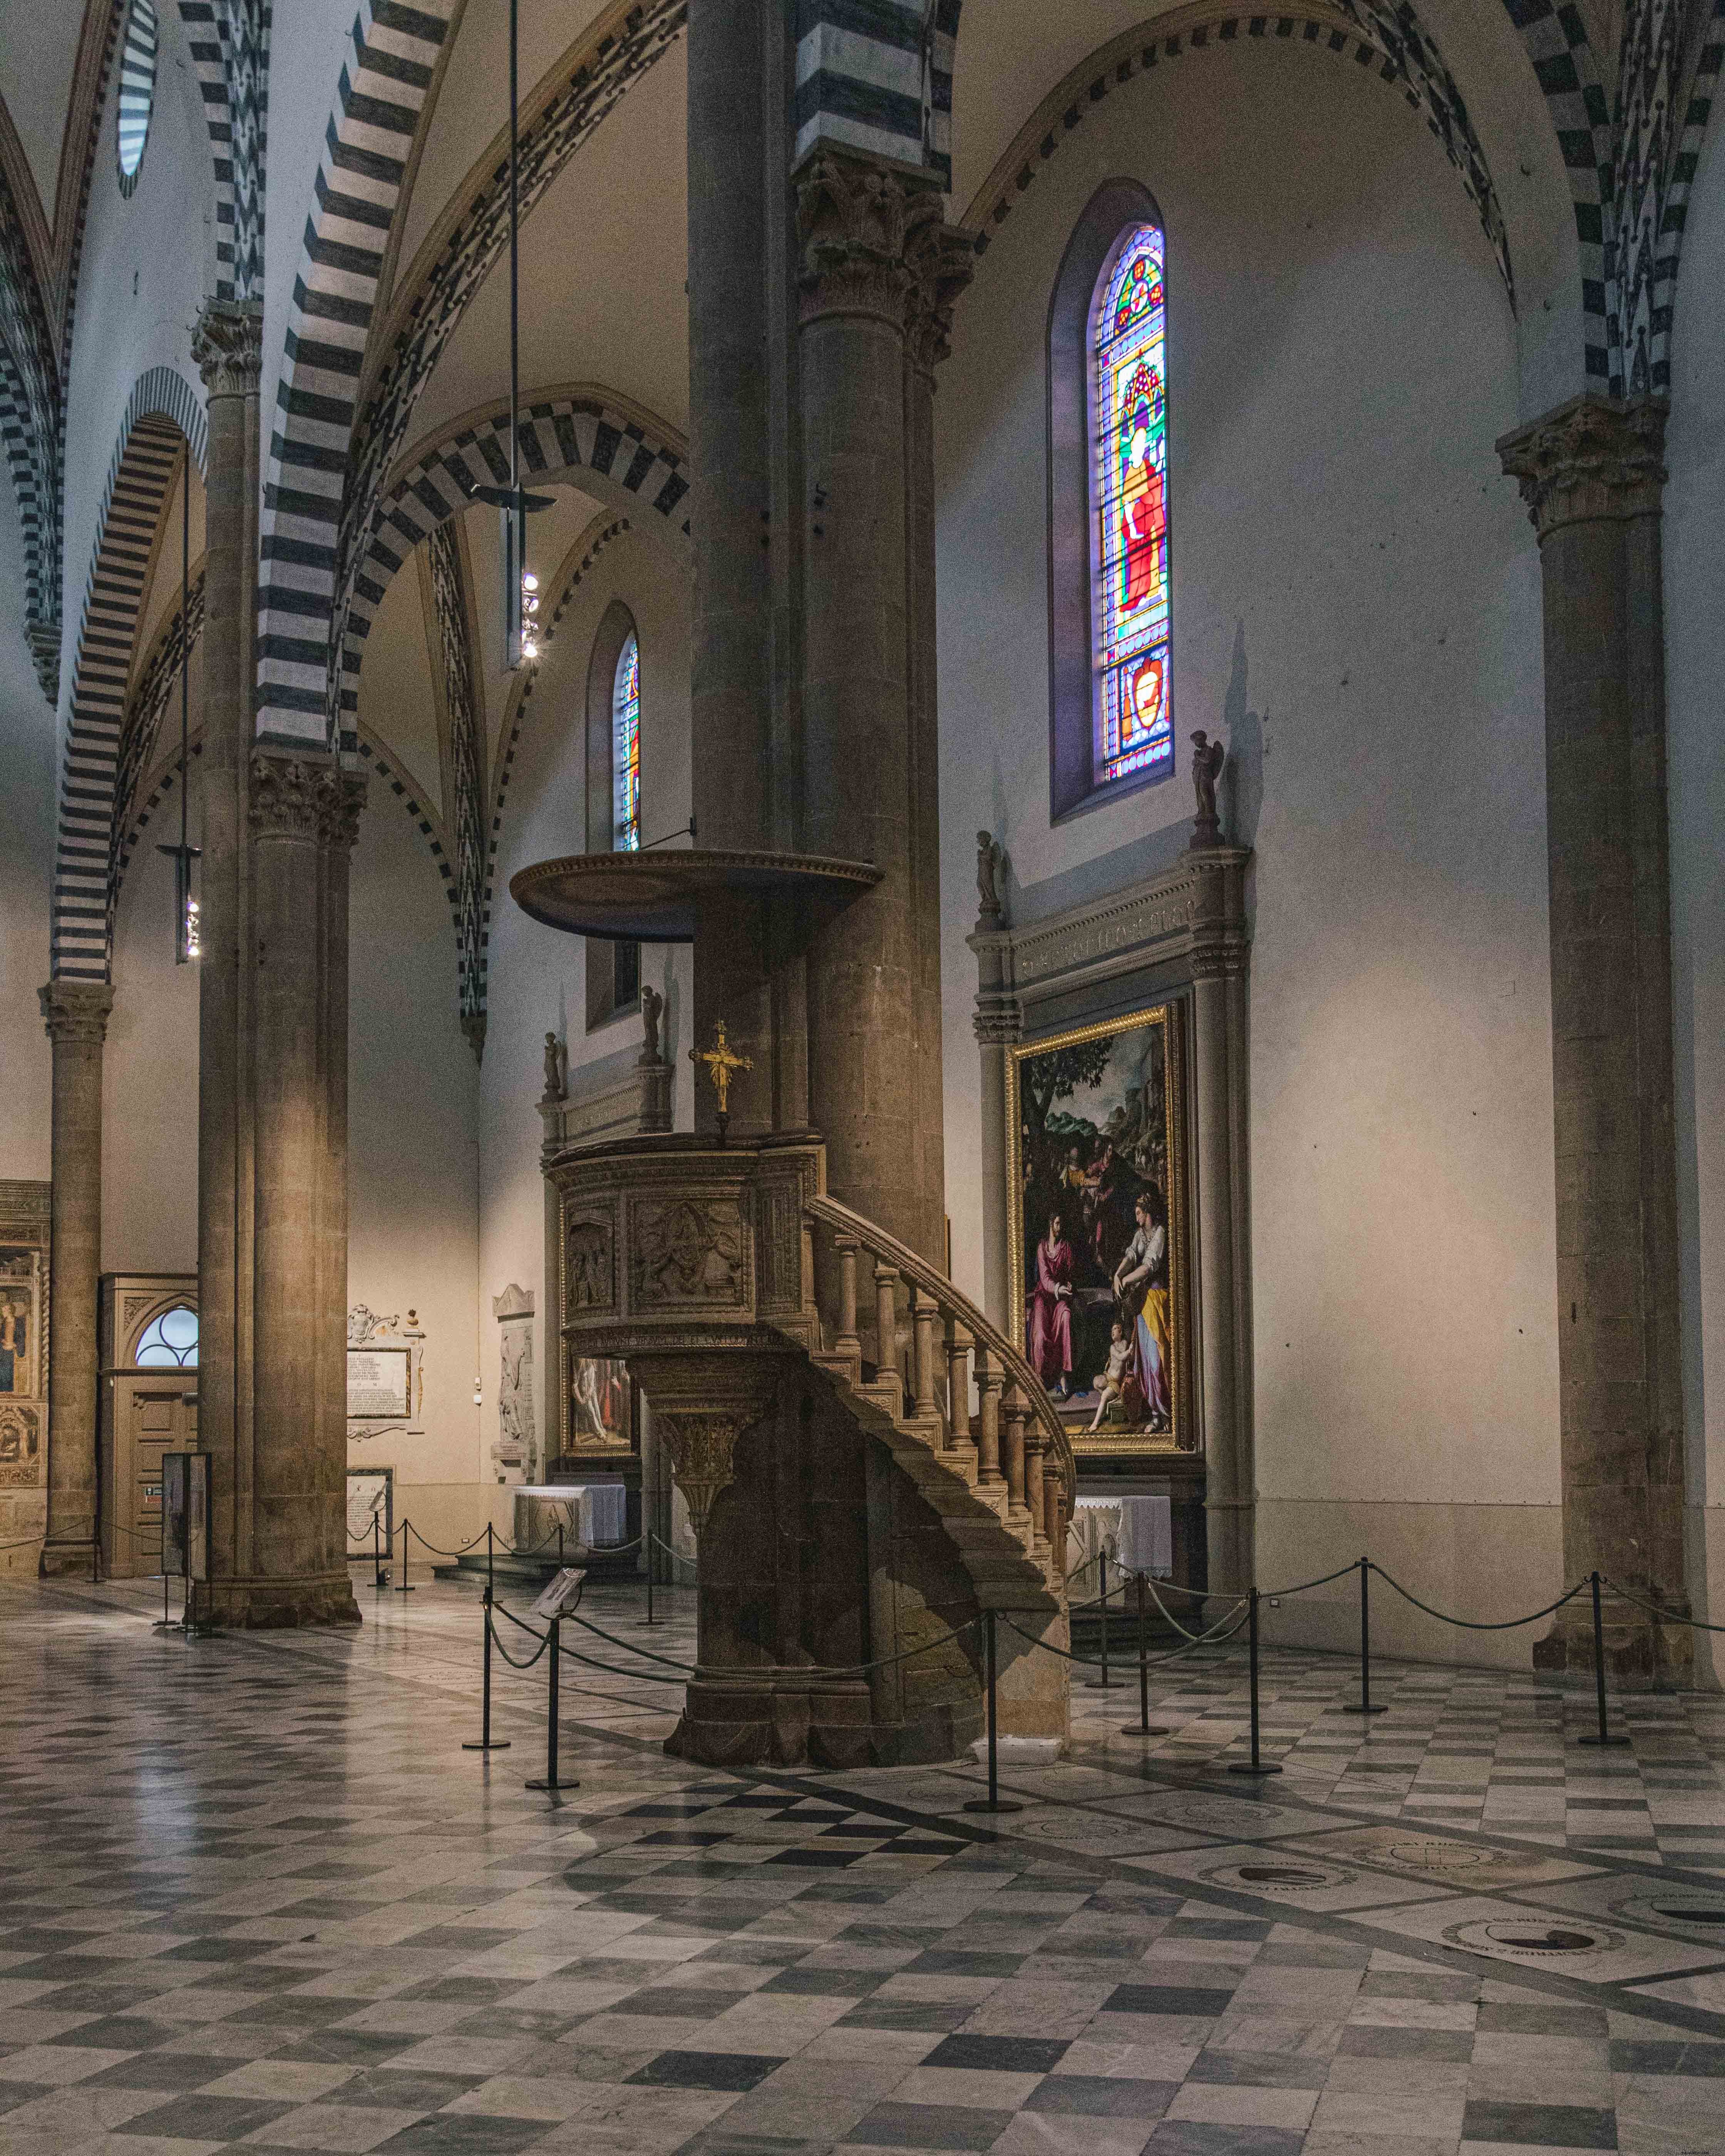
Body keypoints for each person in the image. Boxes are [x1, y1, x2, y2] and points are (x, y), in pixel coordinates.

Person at [1113, 1188, 1172, 1428]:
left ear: (1147, 1212)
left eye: (1139, 1213)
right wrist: (1119, 1273)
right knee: (1145, 1360)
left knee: (1159, 1359)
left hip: (1157, 1301)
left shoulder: (1160, 1233)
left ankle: (1168, 1413)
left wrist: (1127, 1280)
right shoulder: (1140, 1234)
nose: (1136, 1218)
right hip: (1142, 1304)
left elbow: (1148, 1266)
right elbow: (1131, 1256)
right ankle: (1157, 1417)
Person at [1026, 1210, 1077, 1399]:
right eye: (1057, 1224)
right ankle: (1039, 1377)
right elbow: (1045, 1278)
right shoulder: (1042, 1248)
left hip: (1061, 1299)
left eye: (1061, 1224)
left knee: (1066, 1316)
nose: (1059, 1227)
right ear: (1050, 1225)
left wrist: (1070, 1284)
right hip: (1044, 1298)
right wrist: (1059, 1288)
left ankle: (1064, 1375)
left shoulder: (1066, 1247)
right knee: (1039, 1333)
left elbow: (1071, 1272)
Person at [1087, 1320, 1132, 1432]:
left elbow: (1124, 1358)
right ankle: (1107, 1400)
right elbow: (1120, 1356)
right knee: (1096, 1382)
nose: (1113, 1332)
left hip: (1115, 1383)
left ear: (1121, 1332)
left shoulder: (1125, 1343)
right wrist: (1130, 1351)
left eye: (1115, 1329)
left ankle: (1095, 1423)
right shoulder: (1113, 1347)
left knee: (1104, 1397)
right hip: (1108, 1377)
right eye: (1112, 1330)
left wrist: (1131, 1350)